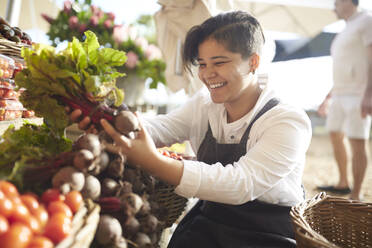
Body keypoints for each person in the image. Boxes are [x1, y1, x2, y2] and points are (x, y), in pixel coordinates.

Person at [71, 11, 312, 247]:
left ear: (253, 62)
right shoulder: (204, 104)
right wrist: (104, 123)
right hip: (211, 221)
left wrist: (154, 163)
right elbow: (161, 128)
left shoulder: (287, 120)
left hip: (268, 234)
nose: (207, 74)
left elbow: (241, 184)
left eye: (219, 62)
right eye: (202, 64)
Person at [317, 0, 372, 201]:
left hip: (358, 94)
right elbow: (343, 65)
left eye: (337, 2)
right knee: (334, 133)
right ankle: (343, 183)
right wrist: (327, 97)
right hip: (339, 93)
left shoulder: (367, 21)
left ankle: (356, 194)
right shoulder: (346, 29)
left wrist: (369, 94)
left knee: (357, 141)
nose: (334, 7)